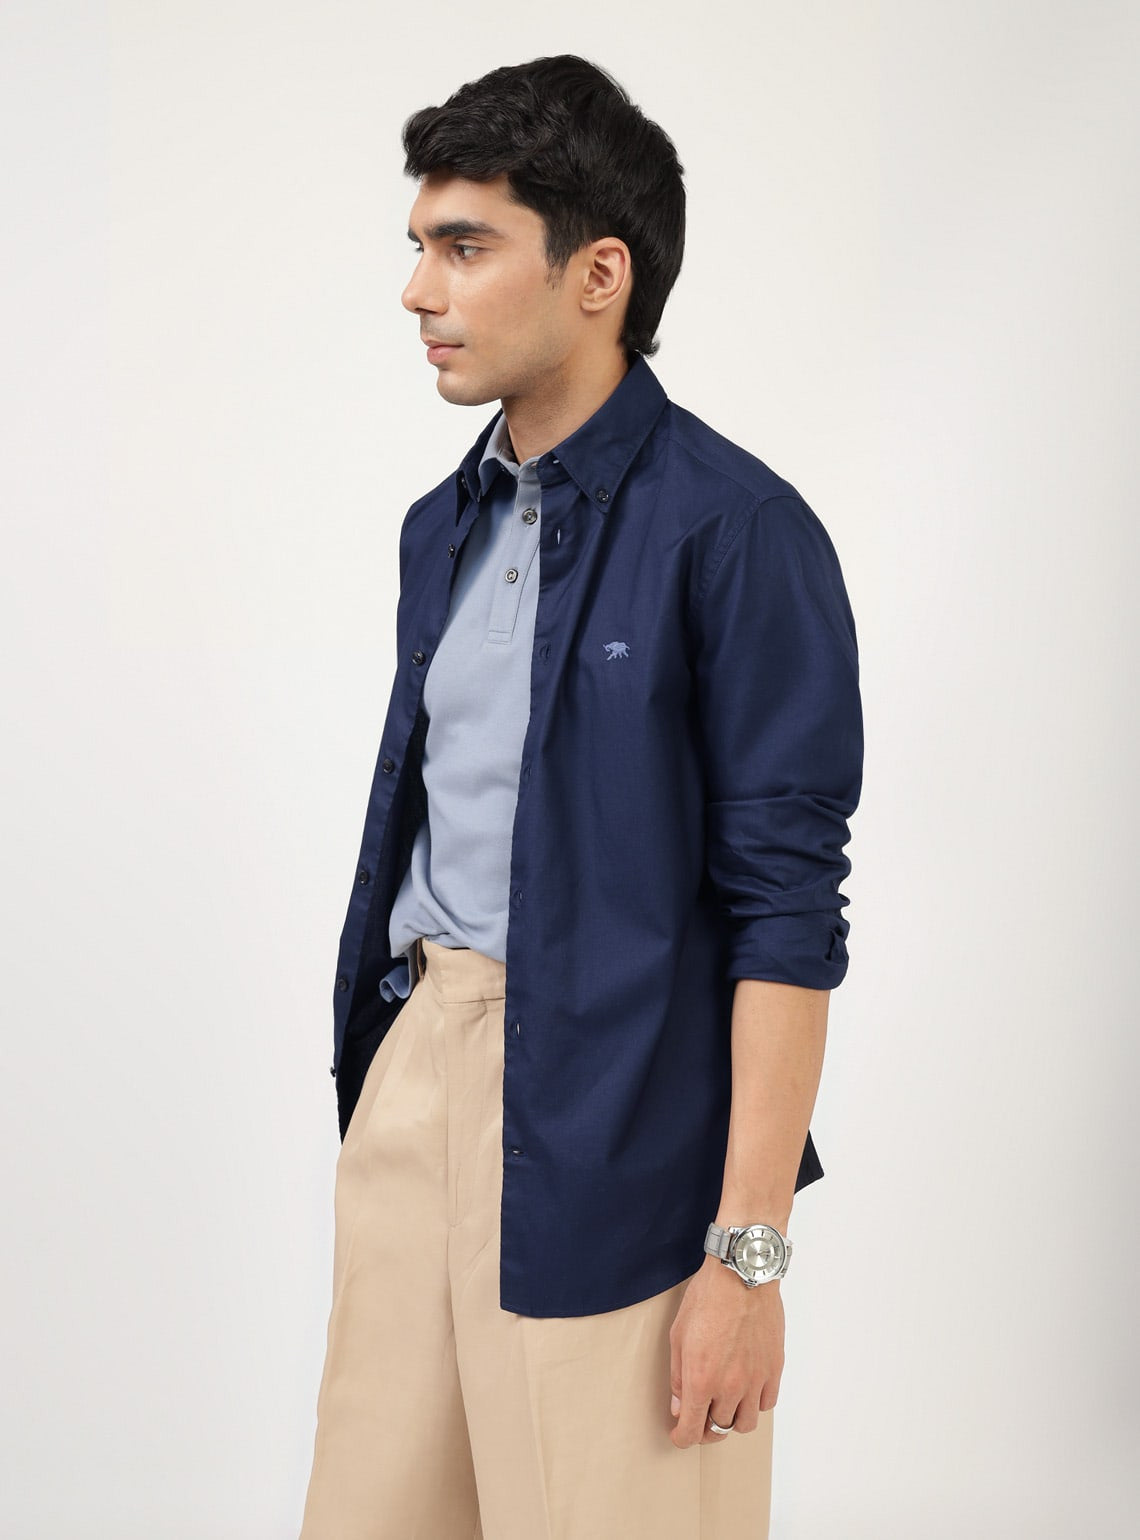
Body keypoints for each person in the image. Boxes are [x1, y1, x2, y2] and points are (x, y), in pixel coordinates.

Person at [299, 53, 863, 1540]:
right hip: (418, 1070)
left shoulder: (737, 531)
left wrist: (748, 1259)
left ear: (598, 273)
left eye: (465, 248)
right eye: (419, 247)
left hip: (620, 1121)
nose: (418, 291)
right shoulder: (442, 524)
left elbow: (788, 913)